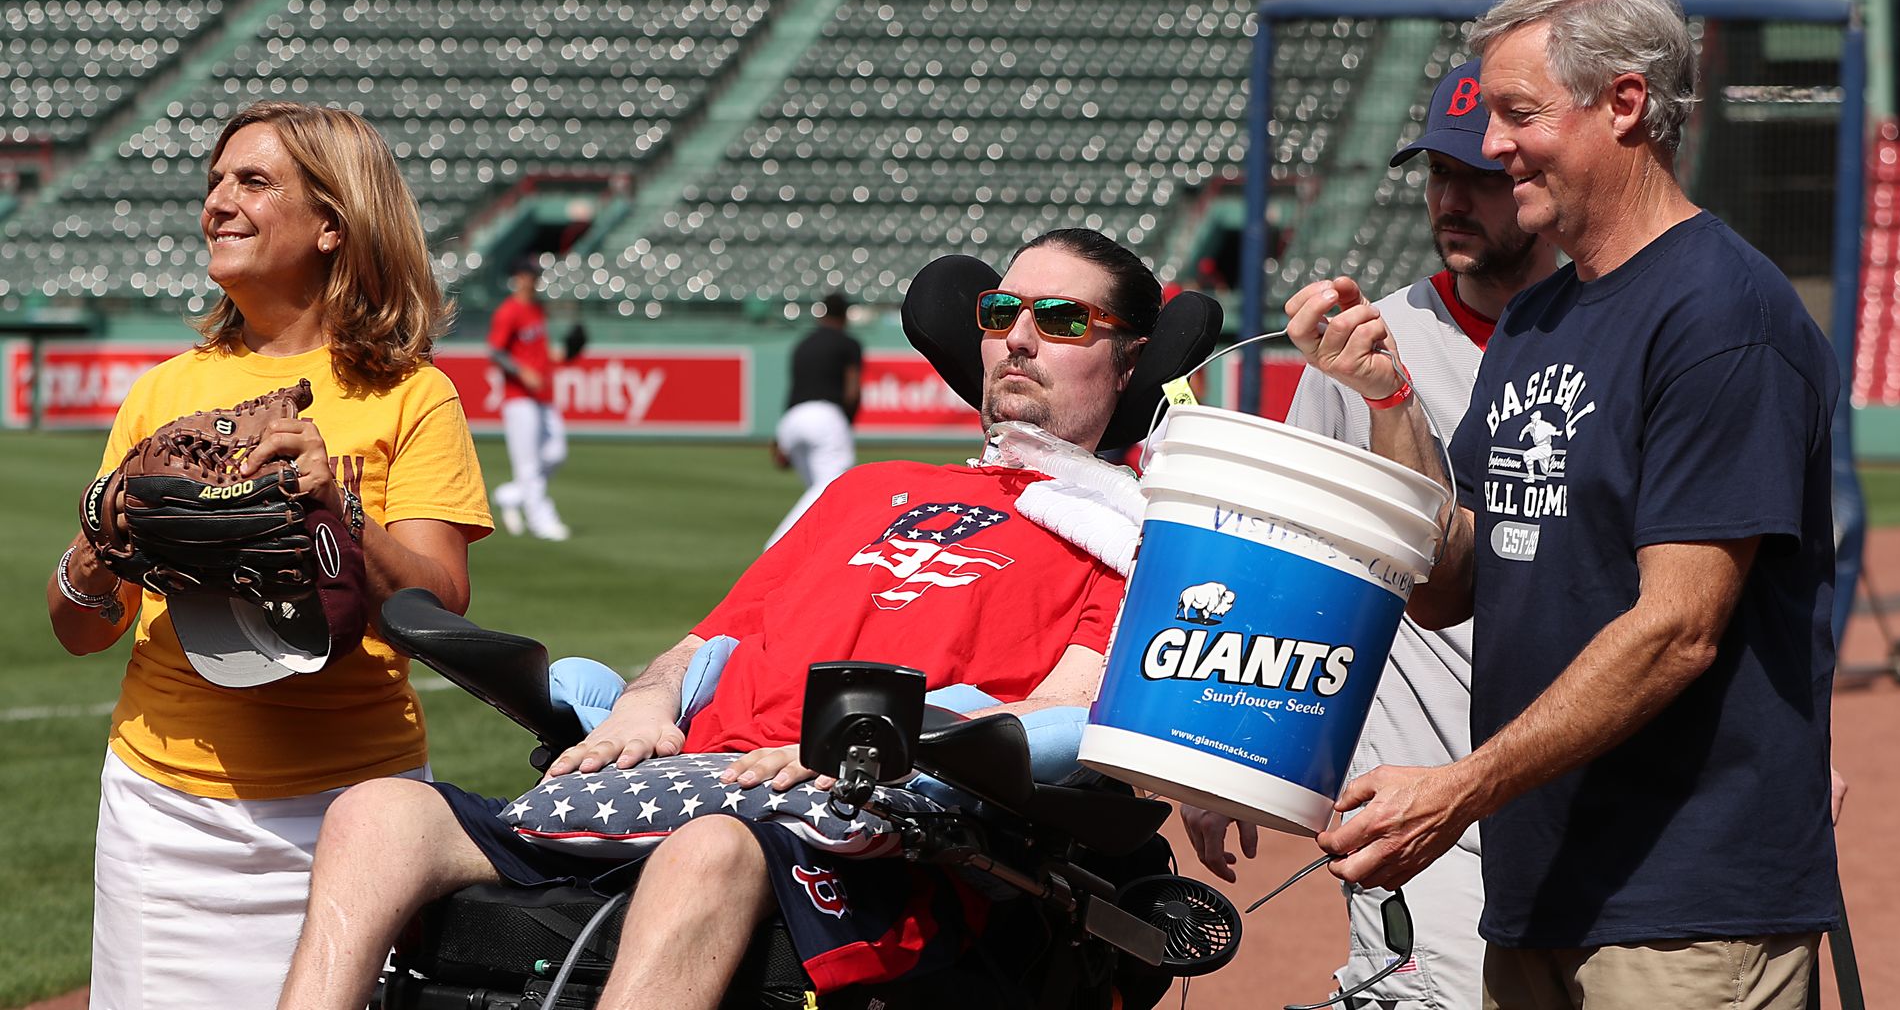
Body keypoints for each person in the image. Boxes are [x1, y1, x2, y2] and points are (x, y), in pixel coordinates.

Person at [276, 228, 1206, 1010]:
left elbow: (1068, 713)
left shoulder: (1131, 540)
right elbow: (703, 648)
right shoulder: (866, 488)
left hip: (875, 829)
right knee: (379, 813)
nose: (1020, 340)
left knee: (709, 851)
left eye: (1062, 319)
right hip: (691, 781)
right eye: (1002, 315)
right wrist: (645, 705)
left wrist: (878, 741)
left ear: (1128, 360)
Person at [1282, 0, 1841, 1008]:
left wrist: (1458, 788)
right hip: (1542, 881)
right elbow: (1454, 582)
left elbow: (1679, 627)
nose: (1490, 146)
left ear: (1625, 103)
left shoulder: (1722, 314)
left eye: (1517, 113)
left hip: (1683, 905)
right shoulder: (1547, 318)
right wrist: (1391, 396)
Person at [45, 100, 492, 1009]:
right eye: (215, 182)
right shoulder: (165, 391)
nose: (219, 201)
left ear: (334, 222)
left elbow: (440, 611)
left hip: (352, 816)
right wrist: (100, 543)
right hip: (161, 807)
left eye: (253, 182)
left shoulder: (416, 395)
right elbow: (80, 632)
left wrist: (339, 511)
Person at [1183, 58, 1561, 1010]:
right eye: (1438, 172)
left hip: (1585, 772)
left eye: (1481, 175)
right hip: (1420, 794)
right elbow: (1294, 566)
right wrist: (1222, 751)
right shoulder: (1364, 350)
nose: (1450, 198)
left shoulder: (1614, 335)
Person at [766, 291, 863, 548]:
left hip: (792, 421)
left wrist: (780, 440)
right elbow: (852, 391)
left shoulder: (803, 344)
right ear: (844, 316)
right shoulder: (848, 343)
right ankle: (778, 546)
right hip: (825, 418)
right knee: (836, 486)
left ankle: (816, 552)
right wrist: (845, 422)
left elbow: (796, 390)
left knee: (821, 496)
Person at [489, 254, 572, 541]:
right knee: (529, 465)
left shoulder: (538, 310)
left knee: (556, 452)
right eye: (529, 275)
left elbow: (539, 350)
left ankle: (510, 495)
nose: (533, 280)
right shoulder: (509, 311)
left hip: (542, 395)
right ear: (519, 277)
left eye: (535, 275)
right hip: (519, 397)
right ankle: (541, 520)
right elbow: (496, 351)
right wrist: (522, 372)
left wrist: (563, 355)